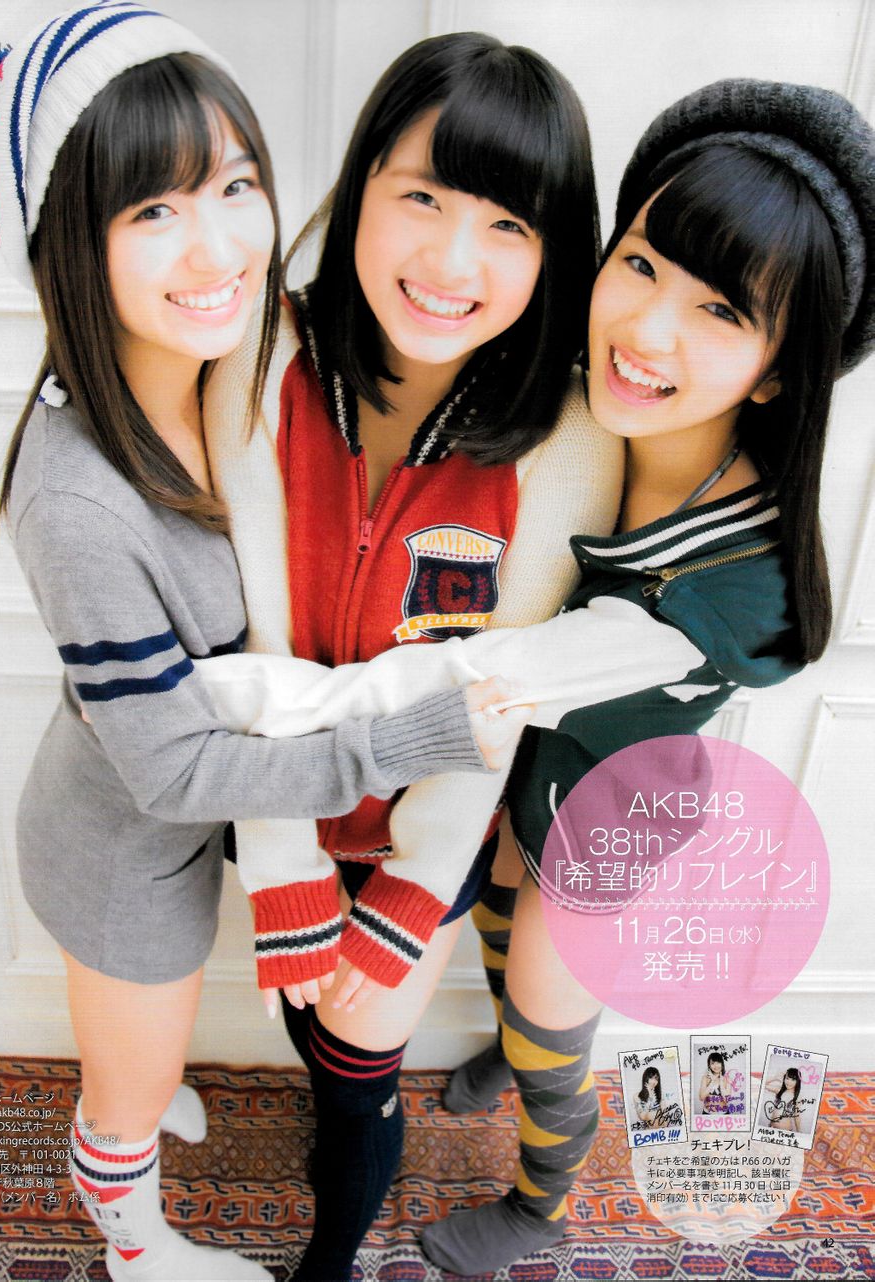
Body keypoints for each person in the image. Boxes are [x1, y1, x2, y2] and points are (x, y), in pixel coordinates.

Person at [201, 74, 875, 1275]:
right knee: (500, 927)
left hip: (610, 806)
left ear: (781, 369)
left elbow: (486, 672)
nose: (648, 329)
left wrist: (264, 700)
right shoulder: (583, 403)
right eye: (641, 265)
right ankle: (501, 1049)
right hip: (527, 769)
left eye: (720, 312)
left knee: (549, 1014)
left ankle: (539, 1198)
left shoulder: (733, 580)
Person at [0, 7, 522, 1280]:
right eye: (154, 210)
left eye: (236, 186)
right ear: (67, 246)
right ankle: (131, 1230)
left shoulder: (229, 365)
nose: (220, 245)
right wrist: (401, 740)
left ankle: (143, 1086)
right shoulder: (77, 499)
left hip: (178, 825)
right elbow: (173, 769)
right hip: (124, 852)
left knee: (155, 1043)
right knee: (128, 1088)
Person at [203, 32, 623, 1281]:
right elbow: (255, 649)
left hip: (430, 820)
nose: (450, 261)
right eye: (422, 197)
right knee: (307, 1027)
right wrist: (282, 861)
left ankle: (328, 1260)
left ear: (554, 251)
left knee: (355, 1063)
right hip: (271, 790)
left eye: (507, 224)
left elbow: (496, 696)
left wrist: (406, 894)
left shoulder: (565, 435)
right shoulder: (260, 355)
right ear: (360, 189)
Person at [764, 1067, 802, 1132]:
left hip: (785, 1131)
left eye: (793, 1079)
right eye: (787, 1078)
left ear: (797, 1081)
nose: (789, 1082)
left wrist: (799, 1132)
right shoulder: (779, 1090)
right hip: (771, 1128)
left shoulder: (797, 1097)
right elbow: (762, 1084)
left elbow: (797, 1117)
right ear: (784, 1079)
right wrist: (775, 1077)